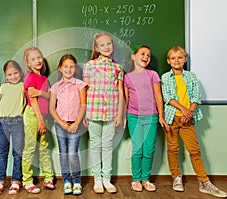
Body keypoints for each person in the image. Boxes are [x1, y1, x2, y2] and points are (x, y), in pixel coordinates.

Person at [161, 46, 227, 198]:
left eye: (179, 57)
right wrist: (183, 110)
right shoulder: (165, 77)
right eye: (173, 58)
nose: (176, 60)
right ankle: (176, 177)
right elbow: (168, 97)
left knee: (194, 150)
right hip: (172, 118)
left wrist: (189, 112)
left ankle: (204, 181)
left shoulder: (191, 76)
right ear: (168, 61)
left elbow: (196, 97)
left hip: (187, 118)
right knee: (173, 149)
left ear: (185, 59)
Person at [82, 32, 124, 194]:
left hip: (112, 112)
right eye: (103, 45)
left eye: (109, 44)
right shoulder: (89, 65)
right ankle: (97, 179)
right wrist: (84, 112)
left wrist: (120, 114)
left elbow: (120, 91)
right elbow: (84, 90)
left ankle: (107, 179)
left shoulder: (117, 67)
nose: (106, 47)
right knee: (95, 145)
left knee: (107, 145)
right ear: (97, 48)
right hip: (93, 111)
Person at [124, 45, 170, 192]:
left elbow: (158, 96)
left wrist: (161, 116)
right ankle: (136, 179)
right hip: (133, 117)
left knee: (149, 149)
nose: (145, 57)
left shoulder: (153, 75)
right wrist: (124, 117)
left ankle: (145, 179)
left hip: (151, 117)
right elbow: (126, 99)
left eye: (148, 56)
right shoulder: (127, 77)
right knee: (137, 149)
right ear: (133, 56)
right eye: (142, 54)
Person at [49, 54, 87, 195]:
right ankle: (66, 181)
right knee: (63, 154)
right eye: (65, 66)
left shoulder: (80, 85)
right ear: (60, 68)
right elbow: (52, 108)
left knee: (72, 153)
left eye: (71, 66)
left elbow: (83, 105)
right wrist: (62, 124)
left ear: (75, 68)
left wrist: (76, 123)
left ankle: (76, 181)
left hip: (75, 124)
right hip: (61, 124)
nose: (68, 69)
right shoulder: (55, 87)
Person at [21, 47, 55, 194]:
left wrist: (43, 92)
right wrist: (40, 121)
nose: (37, 61)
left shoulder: (44, 79)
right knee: (29, 148)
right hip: (33, 115)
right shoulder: (30, 77)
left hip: (44, 116)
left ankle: (48, 177)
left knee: (44, 147)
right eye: (33, 59)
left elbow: (49, 96)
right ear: (28, 63)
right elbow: (33, 100)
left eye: (39, 57)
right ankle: (27, 181)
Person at [0, 60, 26, 196]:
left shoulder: (23, 86)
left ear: (21, 73)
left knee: (17, 153)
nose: (13, 76)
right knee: (2, 153)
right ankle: (0, 181)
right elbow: (1, 103)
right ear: (6, 76)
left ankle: (16, 180)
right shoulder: (3, 87)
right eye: (10, 74)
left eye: (16, 73)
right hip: (3, 122)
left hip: (18, 121)